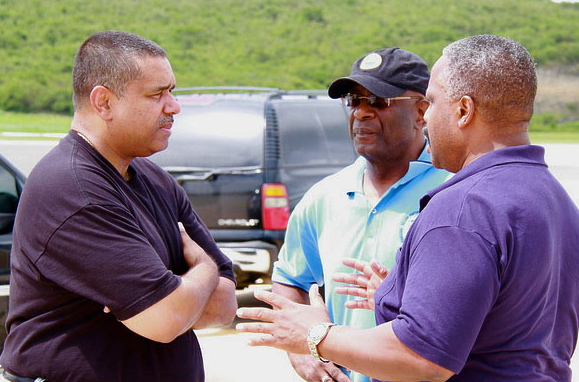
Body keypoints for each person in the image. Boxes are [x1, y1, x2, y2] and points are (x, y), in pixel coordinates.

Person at [237, 34, 579, 381]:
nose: (428, 117)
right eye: (354, 101)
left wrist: (317, 336)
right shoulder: (554, 197)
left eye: (431, 102)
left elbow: (422, 357)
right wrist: (396, 299)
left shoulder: (462, 208)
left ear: (463, 110)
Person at [0, 30, 237, 381]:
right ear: (104, 103)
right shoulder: (73, 190)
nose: (174, 106)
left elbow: (226, 304)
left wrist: (172, 296)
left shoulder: (154, 179)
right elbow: (166, 319)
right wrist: (202, 268)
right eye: (157, 94)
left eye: (171, 91)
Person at [271, 47, 451, 382]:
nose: (362, 113)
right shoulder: (323, 198)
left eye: (379, 101)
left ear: (421, 111)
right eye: (354, 101)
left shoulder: (451, 193)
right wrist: (302, 351)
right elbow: (289, 279)